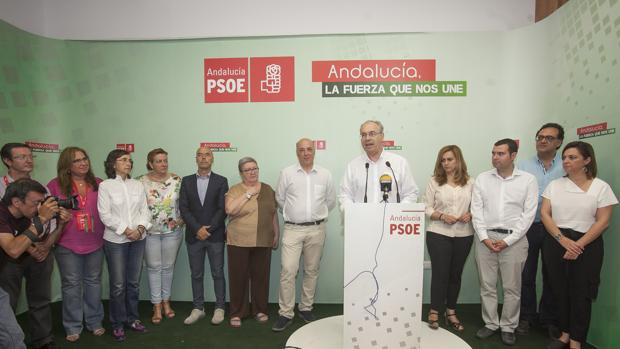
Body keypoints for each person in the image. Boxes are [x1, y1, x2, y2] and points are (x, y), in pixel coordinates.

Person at [541, 141, 617, 349]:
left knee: (581, 294)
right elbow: (545, 214)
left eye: (572, 157)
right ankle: (564, 333)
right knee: (560, 290)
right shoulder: (554, 185)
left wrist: (578, 245)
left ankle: (576, 340)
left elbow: (603, 221)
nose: (566, 161)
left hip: (588, 245)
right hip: (557, 241)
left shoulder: (601, 187)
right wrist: (563, 240)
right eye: (564, 157)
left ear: (587, 160)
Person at [471, 138, 538, 346]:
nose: (495, 157)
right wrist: (483, 237)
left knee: (512, 288)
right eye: (493, 153)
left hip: (515, 240)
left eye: (500, 153)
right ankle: (491, 323)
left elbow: (528, 215)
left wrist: (508, 240)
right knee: (487, 285)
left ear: (513, 155)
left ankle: (509, 326)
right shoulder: (482, 178)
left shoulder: (527, 180)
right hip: (485, 239)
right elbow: (476, 210)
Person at [0, 143, 62, 349]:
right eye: (21, 157)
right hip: (10, 257)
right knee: (7, 304)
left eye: (30, 156)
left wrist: (45, 245)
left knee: (40, 298)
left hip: (39, 250)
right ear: (7, 161)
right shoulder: (2, 196)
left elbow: (47, 223)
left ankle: (43, 340)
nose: (28, 160)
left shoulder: (39, 188)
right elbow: (13, 245)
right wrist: (32, 242)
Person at [272, 138, 336, 332]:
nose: (306, 153)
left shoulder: (325, 174)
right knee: (288, 270)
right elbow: (280, 198)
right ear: (297, 152)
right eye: (302, 150)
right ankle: (285, 313)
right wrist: (295, 214)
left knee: (311, 270)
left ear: (314, 151)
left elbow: (330, 201)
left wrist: (314, 215)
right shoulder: (287, 173)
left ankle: (306, 308)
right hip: (292, 229)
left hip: (317, 229)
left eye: (309, 149)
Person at [47, 147, 105, 342]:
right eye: (77, 160)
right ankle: (72, 325)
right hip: (67, 243)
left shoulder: (99, 184)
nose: (83, 163)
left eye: (85, 158)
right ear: (67, 166)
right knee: (71, 285)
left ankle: (95, 321)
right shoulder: (54, 185)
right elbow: (47, 214)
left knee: (93, 282)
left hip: (95, 242)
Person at [97, 149, 151, 342]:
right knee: (118, 285)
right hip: (116, 241)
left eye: (129, 160)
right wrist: (127, 230)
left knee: (133, 283)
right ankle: (117, 323)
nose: (128, 163)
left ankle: (133, 319)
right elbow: (105, 215)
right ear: (113, 164)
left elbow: (145, 211)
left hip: (138, 239)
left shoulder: (137, 184)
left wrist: (141, 228)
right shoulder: (106, 186)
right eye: (123, 160)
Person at [516, 123, 565, 336]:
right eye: (539, 137)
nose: (542, 141)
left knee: (552, 274)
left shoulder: (566, 166)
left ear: (559, 142)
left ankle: (549, 319)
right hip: (529, 227)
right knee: (526, 275)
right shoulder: (523, 166)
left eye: (548, 138)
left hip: (556, 229)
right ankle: (526, 317)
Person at [423, 145, 474, 332]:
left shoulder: (470, 182)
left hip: (464, 235)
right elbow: (426, 208)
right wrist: (442, 216)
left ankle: (451, 311)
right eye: (443, 160)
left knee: (455, 275)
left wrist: (471, 214)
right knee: (440, 274)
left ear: (458, 160)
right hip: (438, 233)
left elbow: (477, 206)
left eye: (450, 159)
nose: (446, 163)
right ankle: (435, 310)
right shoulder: (434, 181)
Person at [225, 157, 279, 328]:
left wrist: (276, 233)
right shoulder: (235, 190)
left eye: (255, 168)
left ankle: (260, 310)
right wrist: (248, 194)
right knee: (238, 278)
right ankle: (237, 312)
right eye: (248, 169)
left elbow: (273, 214)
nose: (252, 172)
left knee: (261, 278)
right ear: (241, 173)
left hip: (263, 239)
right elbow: (230, 210)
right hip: (239, 241)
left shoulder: (268, 189)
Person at [179, 146, 228, 326]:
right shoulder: (186, 181)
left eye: (207, 154)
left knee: (217, 272)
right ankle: (198, 308)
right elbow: (184, 208)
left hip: (214, 237)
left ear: (212, 158)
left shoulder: (221, 181)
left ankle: (220, 307)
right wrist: (197, 228)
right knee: (196, 274)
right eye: (200, 155)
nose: (203, 158)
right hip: (194, 236)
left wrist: (208, 229)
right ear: (196, 159)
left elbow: (222, 208)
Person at [137, 148, 184, 325]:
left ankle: (166, 303)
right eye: (158, 161)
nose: (163, 164)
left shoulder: (176, 180)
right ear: (150, 163)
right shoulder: (140, 182)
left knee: (168, 267)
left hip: (172, 232)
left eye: (165, 160)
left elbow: (185, 204)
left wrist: (182, 220)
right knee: (153, 268)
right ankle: (156, 305)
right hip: (149, 233)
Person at [339, 120, 418, 207]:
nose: (367, 138)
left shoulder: (399, 163)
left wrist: (398, 212)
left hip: (391, 219)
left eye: (372, 134)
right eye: (363, 135)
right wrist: (352, 212)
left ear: (382, 136)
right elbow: (344, 195)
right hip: (362, 219)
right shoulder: (352, 166)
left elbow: (411, 193)